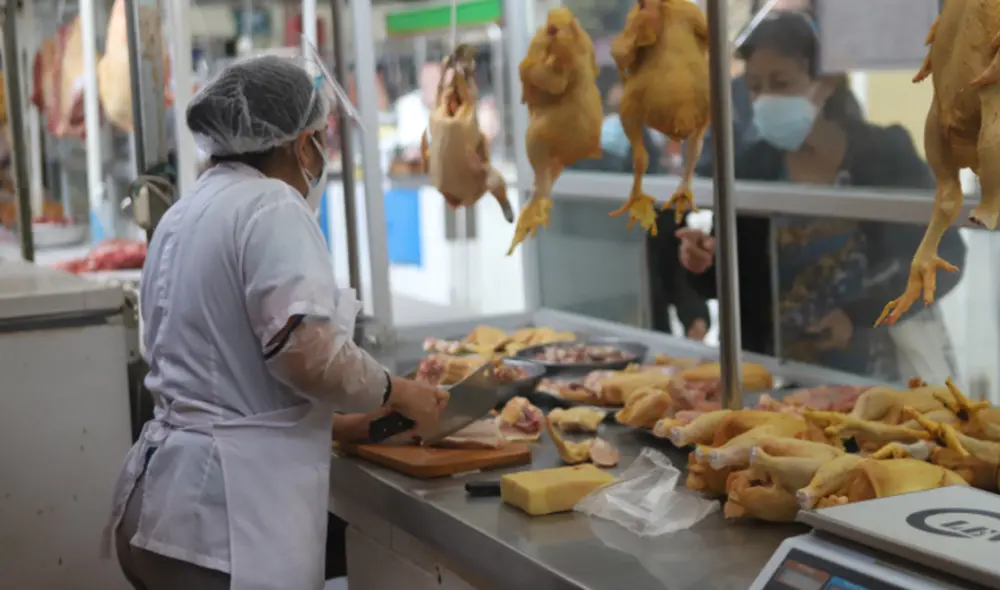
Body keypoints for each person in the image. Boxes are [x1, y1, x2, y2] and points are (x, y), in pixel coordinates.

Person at [103, 55, 449, 590]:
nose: (322, 152)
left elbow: (219, 366)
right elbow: (305, 355)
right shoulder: (271, 206)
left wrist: (335, 424)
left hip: (161, 503)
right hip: (223, 522)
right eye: (321, 136)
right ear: (296, 140)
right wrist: (396, 391)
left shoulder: (187, 212)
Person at [676, 11, 965, 382]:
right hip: (777, 376)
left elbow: (945, 254)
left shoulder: (884, 155)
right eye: (754, 87)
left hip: (878, 375)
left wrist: (857, 315)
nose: (765, 100)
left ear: (826, 83)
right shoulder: (751, 167)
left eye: (781, 83)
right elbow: (736, 279)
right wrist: (704, 264)